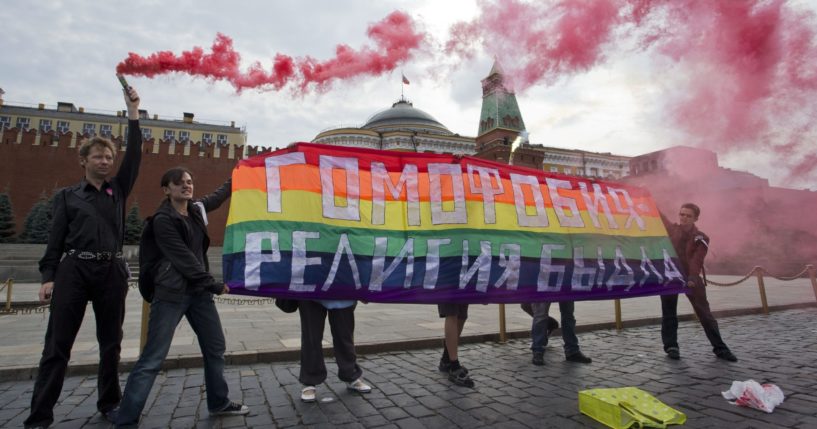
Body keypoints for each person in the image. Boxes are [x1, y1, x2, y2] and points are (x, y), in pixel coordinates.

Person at [25, 85, 142, 429]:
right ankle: (39, 415)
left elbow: (134, 154)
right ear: (84, 161)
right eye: (98, 157)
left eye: (108, 157)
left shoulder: (117, 190)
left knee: (111, 344)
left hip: (110, 269)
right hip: (74, 270)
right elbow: (55, 240)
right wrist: (48, 277)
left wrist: (133, 112)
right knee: (57, 347)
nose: (105, 161)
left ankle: (110, 403)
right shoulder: (66, 197)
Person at [114, 168, 248, 427]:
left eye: (189, 181)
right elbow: (183, 258)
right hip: (171, 293)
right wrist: (213, 285)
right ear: (167, 190)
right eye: (179, 183)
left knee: (215, 347)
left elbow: (218, 196)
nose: (186, 186)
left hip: (198, 294)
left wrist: (241, 173)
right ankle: (126, 418)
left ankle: (218, 402)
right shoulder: (163, 220)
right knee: (153, 357)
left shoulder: (196, 210)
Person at [660, 203, 737, 362]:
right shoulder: (672, 229)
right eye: (682, 214)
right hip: (671, 277)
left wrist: (693, 278)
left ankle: (720, 348)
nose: (684, 218)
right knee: (669, 313)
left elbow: (697, 259)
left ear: (695, 218)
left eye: (688, 216)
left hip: (691, 279)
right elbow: (659, 216)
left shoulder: (702, 237)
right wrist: (646, 195)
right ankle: (671, 346)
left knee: (705, 314)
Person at [298, 300, 372, 402]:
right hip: (311, 294)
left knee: (345, 336)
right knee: (311, 339)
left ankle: (350, 375)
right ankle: (309, 381)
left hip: (343, 293)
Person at [437, 303, 475, 387]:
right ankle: (454, 367)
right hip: (447, 290)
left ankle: (446, 360)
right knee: (451, 314)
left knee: (462, 315)